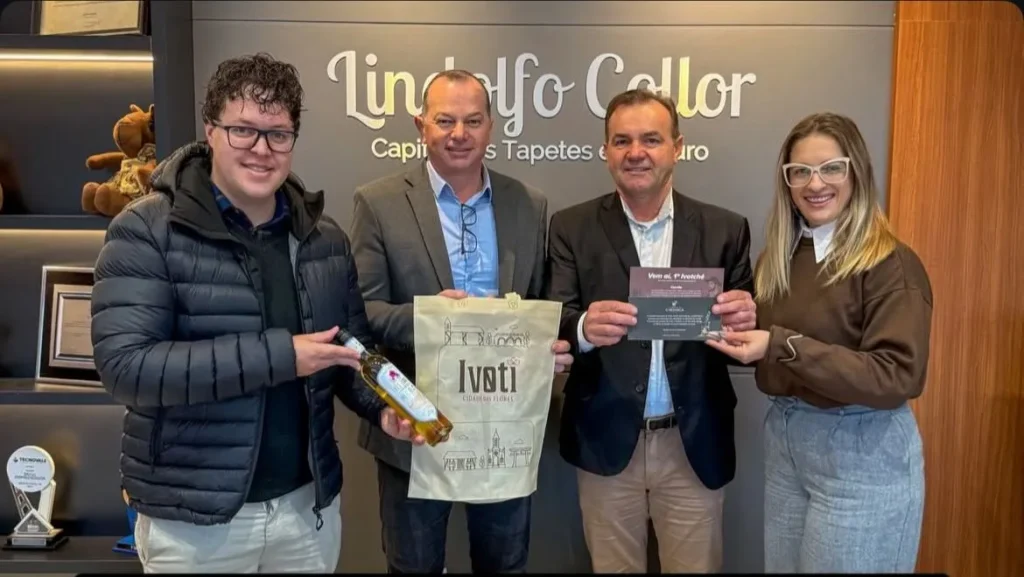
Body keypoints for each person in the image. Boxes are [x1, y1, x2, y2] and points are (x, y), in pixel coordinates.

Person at [90, 53, 418, 574]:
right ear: (211, 131)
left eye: (278, 134)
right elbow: (127, 368)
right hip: (195, 523)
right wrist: (282, 355)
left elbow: (350, 352)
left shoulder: (324, 239)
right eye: (243, 130)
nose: (262, 149)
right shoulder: (145, 229)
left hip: (305, 514)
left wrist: (385, 408)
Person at [349, 69, 573, 574]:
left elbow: (542, 307)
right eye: (445, 120)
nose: (459, 134)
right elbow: (364, 312)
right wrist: (434, 320)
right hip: (412, 425)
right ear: (420, 125)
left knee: (505, 565)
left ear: (491, 126)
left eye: (473, 121)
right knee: (414, 567)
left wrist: (550, 347)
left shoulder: (529, 204)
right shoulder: (378, 202)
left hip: (504, 428)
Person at [705, 112, 931, 573]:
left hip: (861, 452)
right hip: (787, 443)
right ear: (786, 181)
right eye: (800, 171)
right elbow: (772, 352)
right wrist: (742, 322)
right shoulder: (777, 260)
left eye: (831, 168)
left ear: (857, 172)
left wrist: (780, 343)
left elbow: (897, 376)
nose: (815, 183)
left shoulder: (891, 265)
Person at [544, 88, 757, 573]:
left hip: (692, 442)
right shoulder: (570, 226)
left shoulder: (725, 229)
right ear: (605, 151)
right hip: (605, 439)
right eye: (622, 141)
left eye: (651, 139)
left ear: (677, 147)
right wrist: (582, 327)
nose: (635, 152)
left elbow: (742, 329)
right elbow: (554, 316)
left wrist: (745, 317)